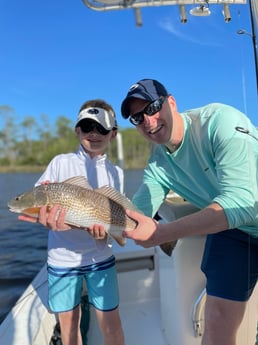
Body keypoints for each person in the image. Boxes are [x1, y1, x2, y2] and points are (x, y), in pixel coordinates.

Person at [120, 78, 258, 345]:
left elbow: (241, 201)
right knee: (216, 318)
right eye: (137, 118)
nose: (148, 121)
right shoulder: (158, 161)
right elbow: (137, 213)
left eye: (152, 107)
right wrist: (78, 218)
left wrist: (165, 233)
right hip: (235, 231)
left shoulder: (220, 123)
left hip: (239, 214)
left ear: (171, 102)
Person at [19, 99, 125, 345]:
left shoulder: (115, 173)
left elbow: (116, 220)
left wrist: (104, 235)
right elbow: (39, 197)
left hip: (100, 258)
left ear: (113, 133)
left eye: (102, 128)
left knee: (111, 325)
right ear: (77, 130)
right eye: (87, 126)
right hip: (62, 259)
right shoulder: (59, 163)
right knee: (68, 327)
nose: (94, 133)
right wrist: (45, 218)